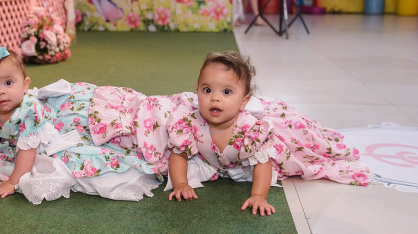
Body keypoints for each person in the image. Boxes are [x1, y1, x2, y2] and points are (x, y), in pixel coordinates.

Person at [89, 51, 372, 216]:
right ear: (197, 91)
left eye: (227, 92)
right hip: (213, 159)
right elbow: (179, 154)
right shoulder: (189, 124)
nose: (215, 98)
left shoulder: (249, 130)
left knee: (293, 150)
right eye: (207, 90)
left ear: (243, 101)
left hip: (242, 156)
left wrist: (259, 195)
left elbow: (262, 164)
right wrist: (180, 183)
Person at [0, 47, 161, 203]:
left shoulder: (29, 113)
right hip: (19, 134)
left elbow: (27, 151)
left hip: (51, 127)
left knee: (80, 149)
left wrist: (13, 182)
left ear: (25, 84)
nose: (0, 92)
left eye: (8, 83)